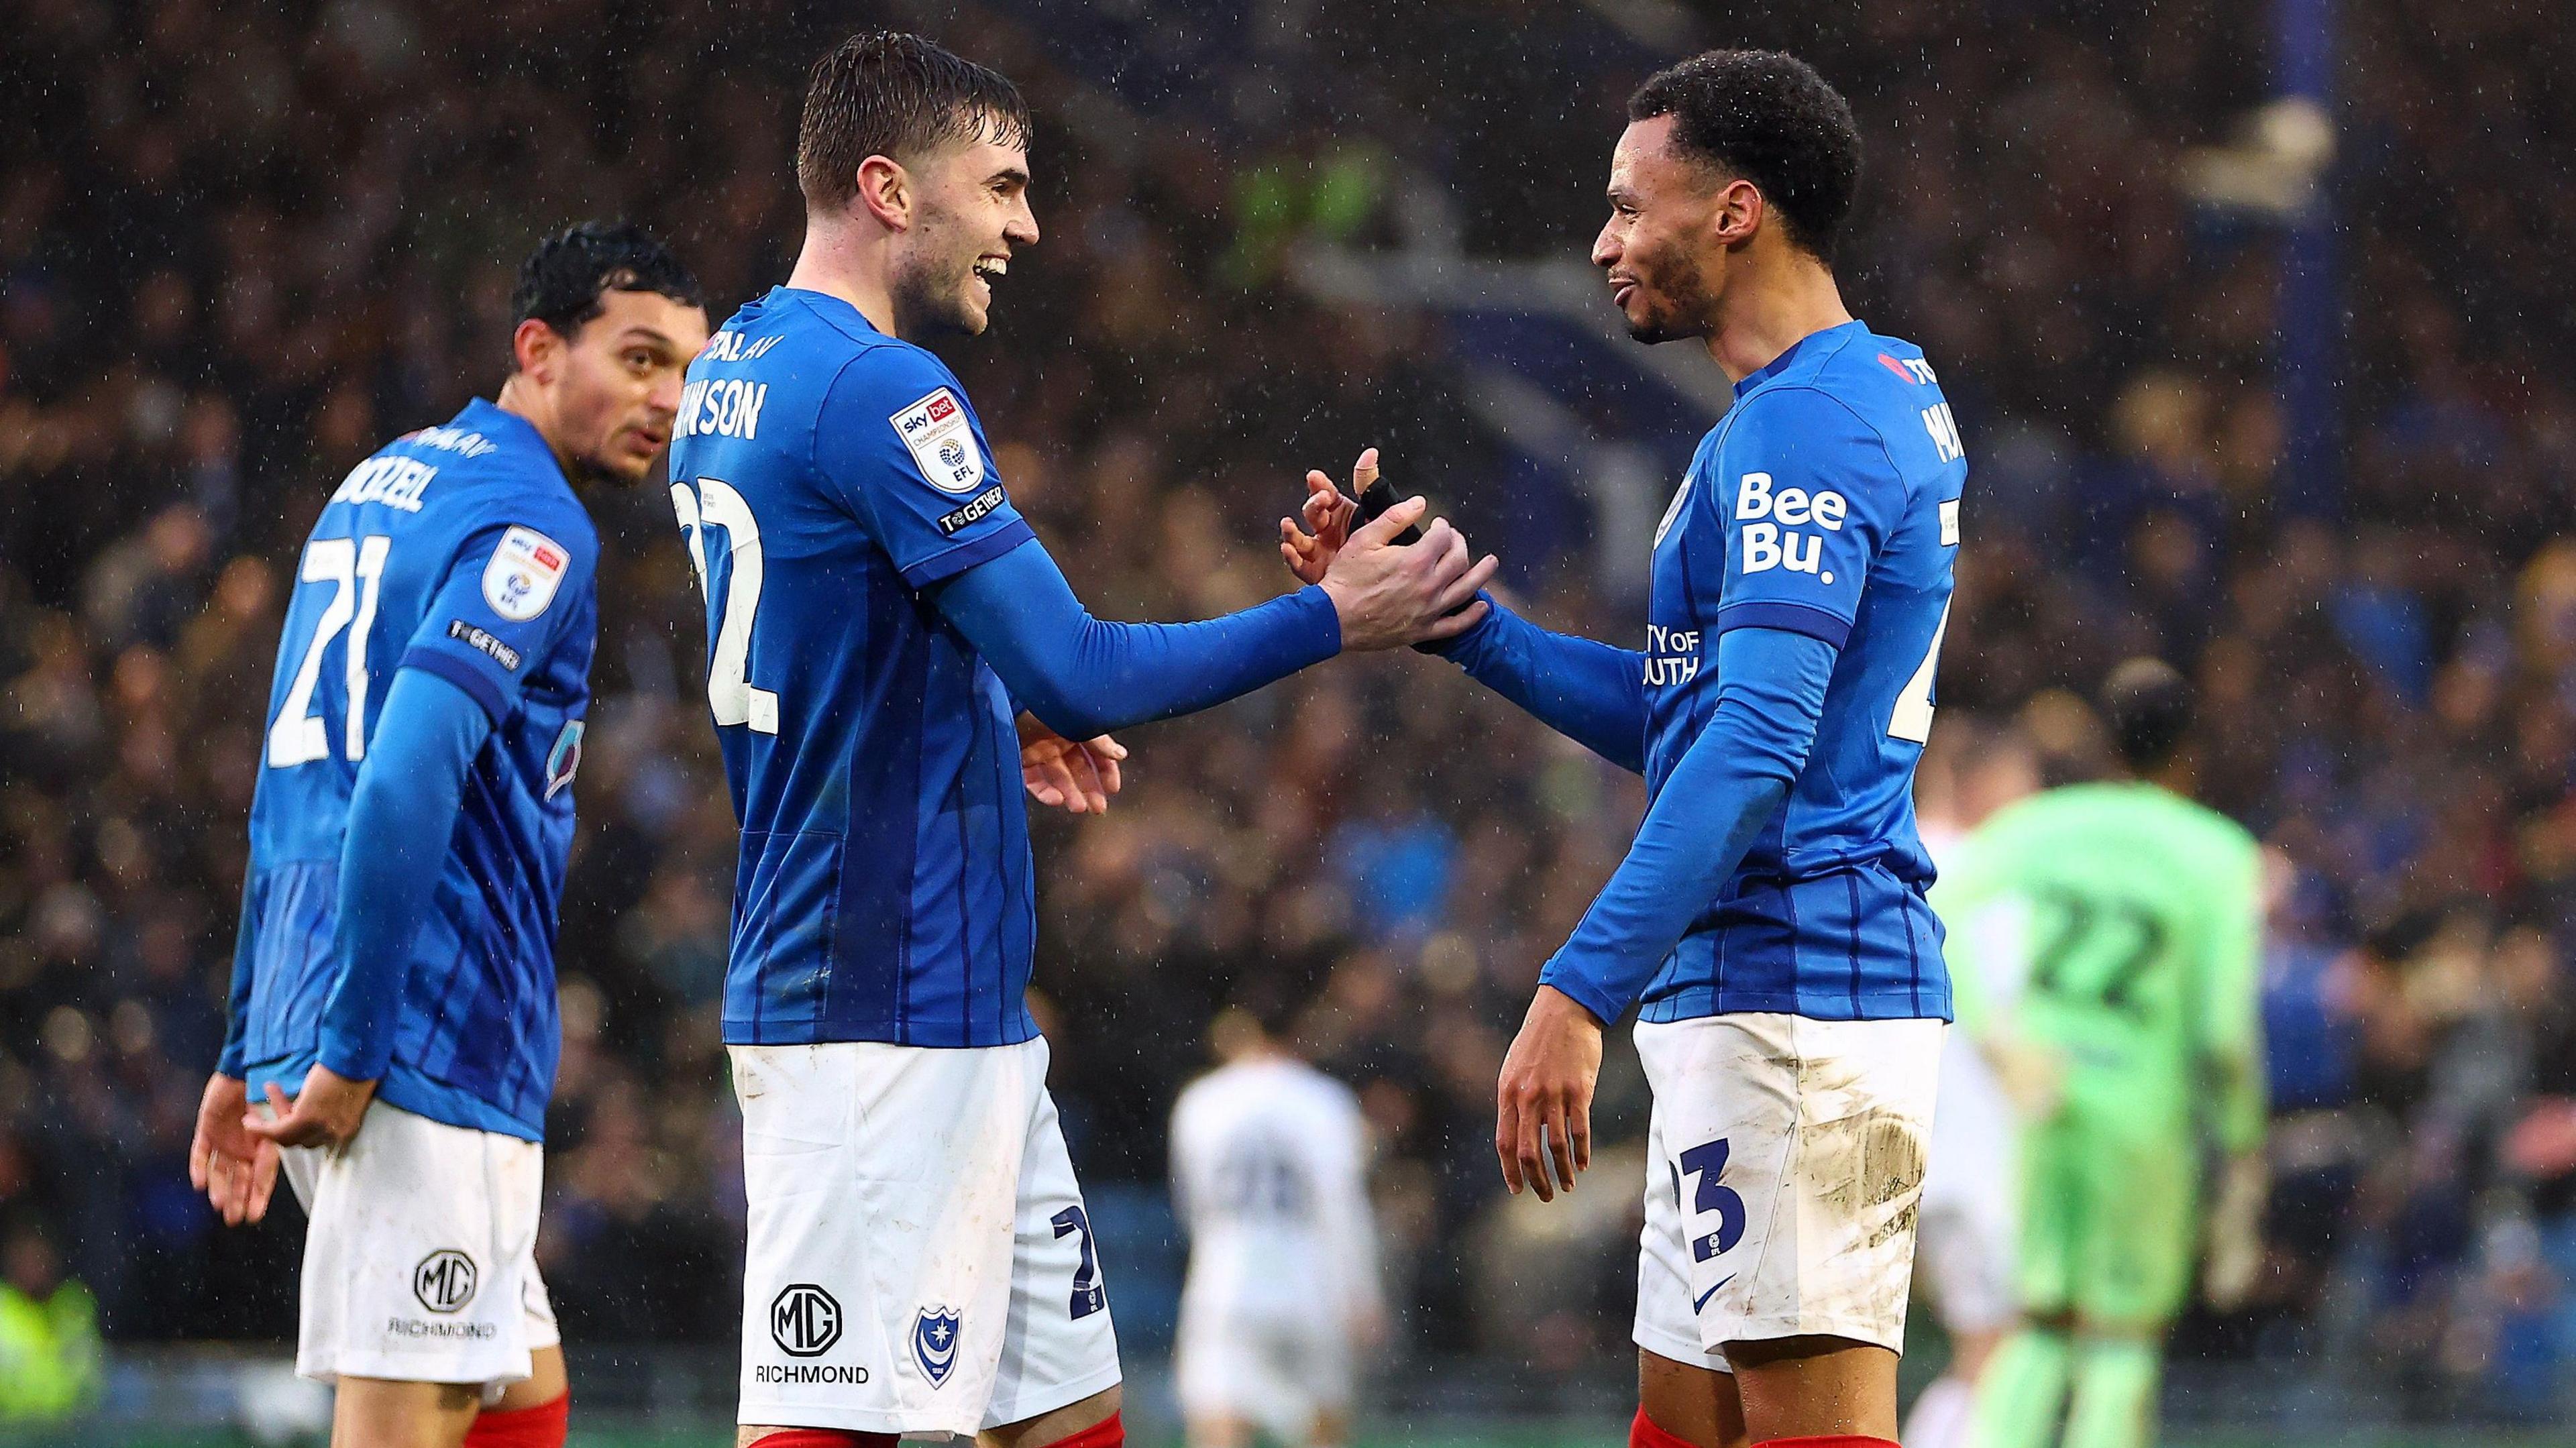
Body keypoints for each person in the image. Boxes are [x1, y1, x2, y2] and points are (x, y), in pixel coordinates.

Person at [663, 32, 1485, 1448]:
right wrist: (1330, 617)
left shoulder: (731, 370)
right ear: (889, 187)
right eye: (1001, 187)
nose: (1026, 227)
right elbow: (1087, 663)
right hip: (872, 1003)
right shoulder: (883, 389)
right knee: (828, 1423)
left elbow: (830, 640)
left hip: (952, 1008)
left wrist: (991, 713)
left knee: (1068, 1414)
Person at [1285, 46, 1966, 1448]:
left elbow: (1760, 742)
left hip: (1804, 999)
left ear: (1733, 212)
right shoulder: (1849, 394)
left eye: (1625, 207)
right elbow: (1691, 717)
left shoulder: (1809, 431)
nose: (1602, 244)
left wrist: (1578, 989)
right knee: (1681, 1425)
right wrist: (1460, 621)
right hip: (1755, 994)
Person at [186, 223, 710, 1448]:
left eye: (684, 371)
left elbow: (289, 780)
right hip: (422, 1028)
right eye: (638, 359)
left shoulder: (379, 482)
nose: (666, 400)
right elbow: (407, 773)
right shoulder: (535, 521)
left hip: (329, 1005)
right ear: (538, 347)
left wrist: (249, 1034)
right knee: (410, 1416)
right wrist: (361, 1043)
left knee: (522, 1385)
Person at [1946, 661, 2268, 1448]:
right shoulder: (2218, 855)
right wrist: (2243, 1153)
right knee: (2121, 1338)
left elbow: (1940, 911)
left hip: (2048, 1102)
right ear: (2189, 751)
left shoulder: (2044, 826)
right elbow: (2224, 1036)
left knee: (2042, 1324)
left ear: (2107, 745)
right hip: (2143, 1119)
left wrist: (1999, 1040)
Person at [1902, 720, 2041, 1448]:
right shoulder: (1996, 877)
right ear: (1982, 782)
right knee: (2001, 1355)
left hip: (1894, 1148)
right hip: (1981, 1157)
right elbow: (2019, 1026)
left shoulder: (1882, 852)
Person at [1169, 997, 1385, 1448]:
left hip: (1226, 1280)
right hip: (1311, 1285)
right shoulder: (1326, 1099)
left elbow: (1191, 1206)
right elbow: (1342, 1207)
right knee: (1322, 1429)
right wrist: (1363, 1293)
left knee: (1220, 1426)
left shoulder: (1201, 1100)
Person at [0, 1219, 101, 1423]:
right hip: (12, 1432)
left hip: (69, 1430)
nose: (34, 1267)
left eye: (39, 1257)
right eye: (26, 1258)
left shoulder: (75, 1305)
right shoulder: (3, 1307)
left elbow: (90, 1380)